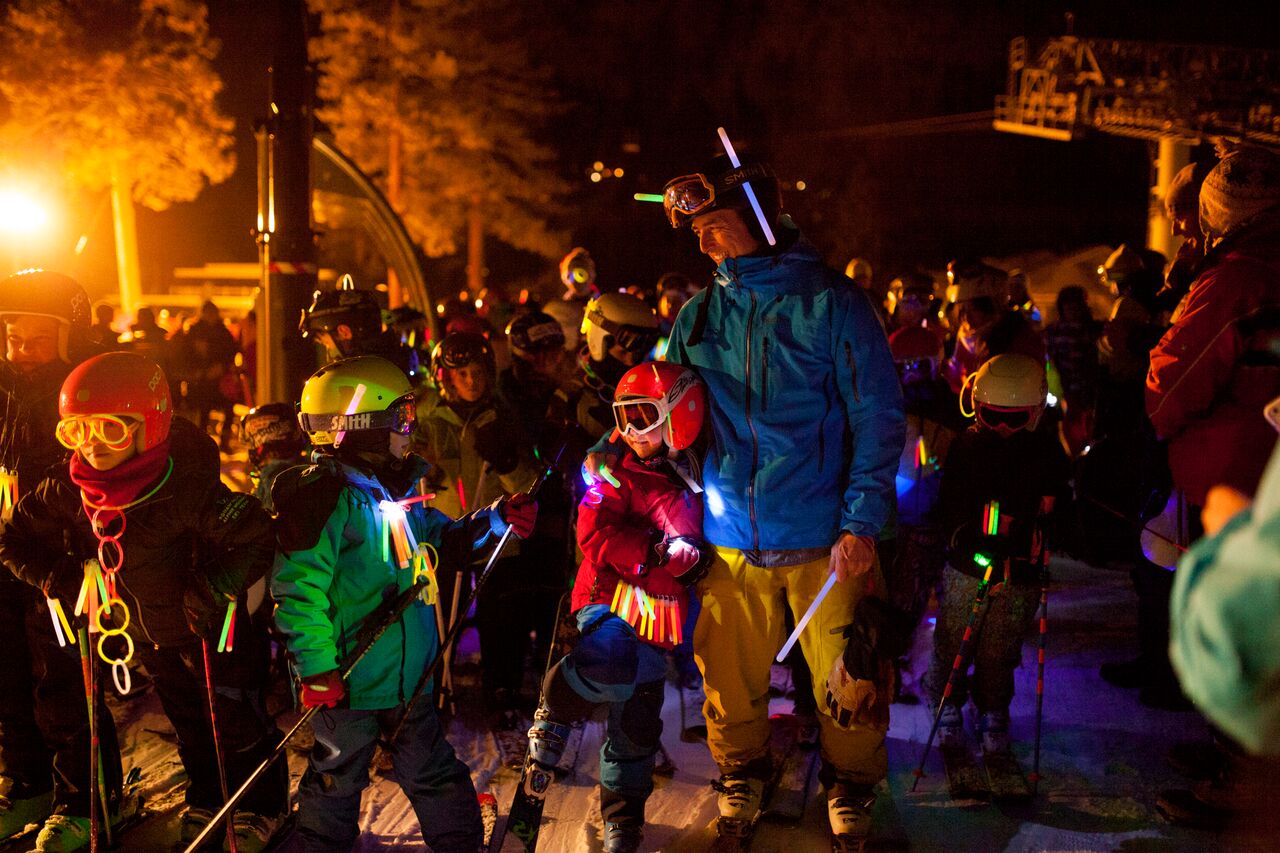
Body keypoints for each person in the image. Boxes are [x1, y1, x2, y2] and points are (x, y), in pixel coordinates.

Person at [628, 151, 904, 843]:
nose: (702, 240)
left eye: (714, 224)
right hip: (730, 533)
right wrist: (643, 443)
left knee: (849, 677)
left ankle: (853, 783)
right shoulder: (700, 313)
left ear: (756, 216)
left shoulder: (833, 304)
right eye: (696, 230)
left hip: (826, 535)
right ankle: (741, 770)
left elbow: (878, 414)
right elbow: (669, 405)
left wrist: (862, 520)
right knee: (727, 673)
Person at [0, 352, 288, 852]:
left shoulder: (184, 486)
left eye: (110, 430)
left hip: (210, 630)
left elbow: (255, 535)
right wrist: (61, 579)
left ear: (149, 426)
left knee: (233, 716)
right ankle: (206, 795)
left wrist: (213, 586)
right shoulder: (68, 490)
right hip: (146, 631)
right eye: (77, 432)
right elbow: (13, 539)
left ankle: (260, 801)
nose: (92, 446)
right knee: (187, 720)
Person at [270, 354, 537, 852]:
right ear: (362, 424)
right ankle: (320, 844)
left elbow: (442, 540)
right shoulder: (325, 497)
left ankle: (458, 840)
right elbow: (296, 590)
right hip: (348, 678)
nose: (410, 429)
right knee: (337, 772)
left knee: (431, 765)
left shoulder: (390, 488)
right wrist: (316, 668)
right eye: (401, 418)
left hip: (407, 674)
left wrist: (497, 521)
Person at [528, 361, 710, 853]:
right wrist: (652, 550)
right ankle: (558, 701)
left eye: (642, 417)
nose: (630, 431)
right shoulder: (612, 467)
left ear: (679, 418)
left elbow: (696, 541)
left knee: (636, 726)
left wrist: (689, 558)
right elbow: (593, 533)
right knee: (612, 660)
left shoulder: (699, 473)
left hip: (659, 615)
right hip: (608, 599)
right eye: (622, 418)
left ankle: (623, 819)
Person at [0, 270, 120, 851]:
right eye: (13, 339)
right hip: (7, 551)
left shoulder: (85, 389)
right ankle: (28, 784)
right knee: (7, 678)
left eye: (37, 341)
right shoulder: (4, 388)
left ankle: (87, 797)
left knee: (62, 683)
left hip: (62, 561)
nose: (22, 353)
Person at [924, 354, 1068, 753]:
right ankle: (945, 698)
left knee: (1000, 648)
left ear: (1036, 412)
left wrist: (1047, 528)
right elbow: (950, 506)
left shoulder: (1049, 455)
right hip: (969, 567)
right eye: (992, 415)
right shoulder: (966, 448)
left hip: (1020, 572)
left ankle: (992, 707)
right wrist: (963, 536)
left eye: (1015, 419)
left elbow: (1061, 509)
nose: (1003, 428)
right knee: (955, 639)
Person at [411, 332, 543, 722]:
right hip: (446, 535)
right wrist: (423, 468)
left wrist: (506, 461)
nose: (471, 381)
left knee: (501, 617)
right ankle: (436, 686)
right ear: (445, 378)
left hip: (495, 536)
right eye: (461, 374)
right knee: (436, 617)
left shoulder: (503, 418)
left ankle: (502, 685)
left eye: (478, 373)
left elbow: (529, 485)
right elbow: (407, 464)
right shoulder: (432, 423)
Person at [1148, 145, 1280, 513]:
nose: (1177, 228)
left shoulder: (1238, 281)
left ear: (1220, 211)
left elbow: (1174, 383)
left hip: (1235, 483)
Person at [941, 259, 1045, 396]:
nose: (967, 319)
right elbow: (956, 371)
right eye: (962, 310)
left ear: (995, 309)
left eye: (974, 310)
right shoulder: (966, 335)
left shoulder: (1020, 340)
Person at [183, 300, 240, 451]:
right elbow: (186, 354)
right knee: (203, 411)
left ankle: (224, 440)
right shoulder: (195, 331)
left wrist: (222, 366)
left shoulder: (222, 331)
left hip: (220, 379)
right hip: (202, 380)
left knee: (228, 408)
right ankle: (201, 443)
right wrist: (198, 371)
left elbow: (232, 350)